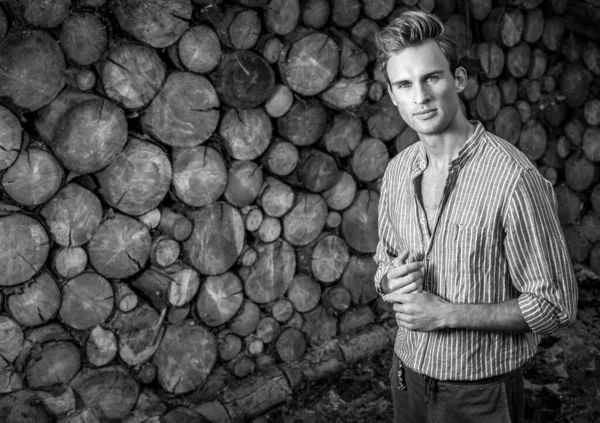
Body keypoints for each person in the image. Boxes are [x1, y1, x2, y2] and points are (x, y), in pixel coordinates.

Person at [372, 10, 578, 423]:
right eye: (404, 84)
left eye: (432, 77)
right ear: (393, 96)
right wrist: (389, 280)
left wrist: (448, 314)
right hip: (407, 377)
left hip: (479, 394)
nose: (420, 97)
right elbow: (383, 264)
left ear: (458, 80)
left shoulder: (513, 179)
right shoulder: (397, 171)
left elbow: (555, 307)